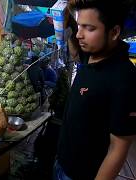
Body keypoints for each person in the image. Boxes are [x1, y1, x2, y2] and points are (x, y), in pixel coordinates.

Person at [54, 0, 136, 180]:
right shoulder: (91, 55)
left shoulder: (124, 78)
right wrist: (65, 19)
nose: (79, 35)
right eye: (79, 26)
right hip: (61, 163)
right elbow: (75, 50)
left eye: (89, 28)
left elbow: (118, 148)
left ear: (114, 32)